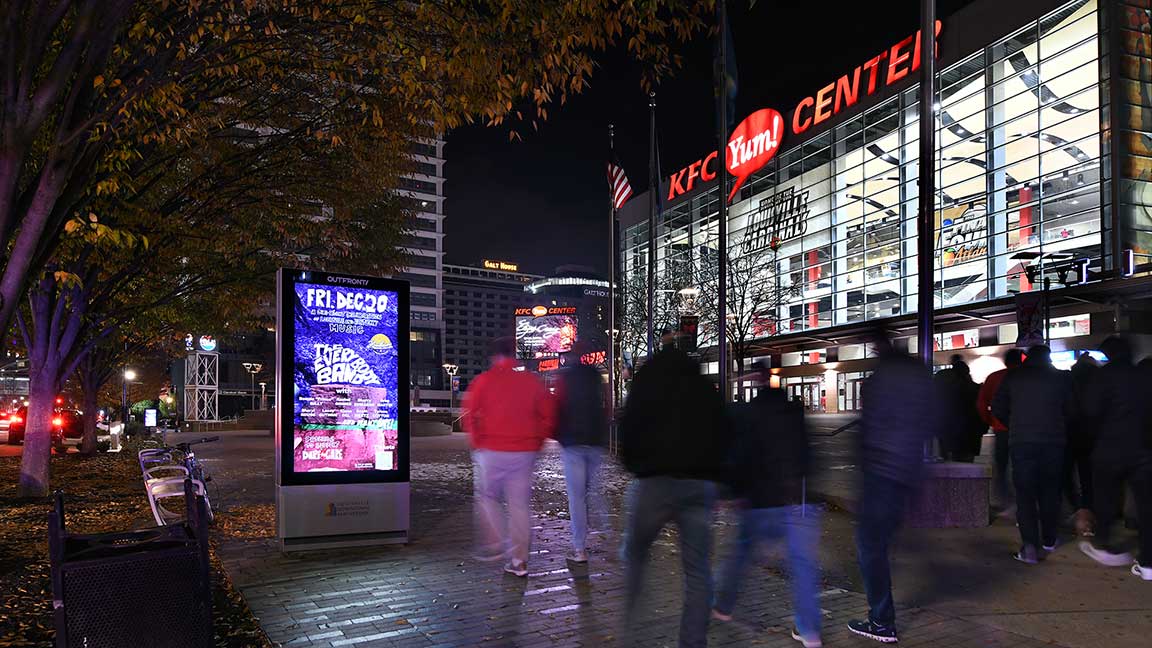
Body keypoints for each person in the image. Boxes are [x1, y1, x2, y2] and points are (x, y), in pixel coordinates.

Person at [619, 331, 731, 648]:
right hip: (698, 485)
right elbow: (724, 431)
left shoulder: (646, 382)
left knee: (636, 554)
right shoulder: (703, 388)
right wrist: (718, 477)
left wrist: (635, 464)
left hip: (654, 482)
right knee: (697, 571)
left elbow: (630, 427)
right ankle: (693, 642)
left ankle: (631, 635)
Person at [712, 363, 822, 648]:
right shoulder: (794, 413)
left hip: (761, 500)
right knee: (803, 568)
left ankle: (723, 605)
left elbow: (740, 456)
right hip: (798, 499)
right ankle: (809, 631)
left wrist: (731, 492)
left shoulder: (750, 415)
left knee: (740, 553)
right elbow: (809, 454)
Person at [847, 332, 936, 644]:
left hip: (881, 473)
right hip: (908, 471)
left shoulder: (879, 381)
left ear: (878, 347)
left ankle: (882, 621)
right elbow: (933, 420)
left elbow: (867, 432)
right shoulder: (919, 375)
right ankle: (882, 615)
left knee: (869, 546)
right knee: (882, 540)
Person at [463, 336, 554, 577]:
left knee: (487, 497)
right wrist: (538, 442)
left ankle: (497, 541)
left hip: (492, 450)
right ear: (513, 355)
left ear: (493, 356)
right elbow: (547, 415)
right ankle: (519, 561)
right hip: (524, 452)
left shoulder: (483, 381)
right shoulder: (531, 381)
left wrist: (478, 443)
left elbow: (470, 415)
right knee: (519, 505)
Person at [1078, 336, 1152, 580]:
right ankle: (1149, 563)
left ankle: (1105, 546)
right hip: (1144, 449)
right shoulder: (1144, 374)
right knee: (1146, 505)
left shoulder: (1103, 376)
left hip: (1110, 449)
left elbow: (1090, 411)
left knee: (1107, 499)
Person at [992, 344, 1073, 565]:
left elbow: (997, 407)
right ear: (1049, 357)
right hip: (1054, 442)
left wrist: (1014, 424)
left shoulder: (1014, 377)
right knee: (1050, 491)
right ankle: (1049, 539)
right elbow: (1072, 409)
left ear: (1027, 357)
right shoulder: (1062, 378)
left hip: (1022, 442)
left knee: (1025, 494)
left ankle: (1029, 546)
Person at [554, 342, 610, 563]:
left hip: (573, 442)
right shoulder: (595, 374)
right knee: (592, 487)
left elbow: (557, 406)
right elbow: (607, 403)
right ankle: (604, 522)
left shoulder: (564, 377)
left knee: (576, 497)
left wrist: (559, 435)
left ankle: (580, 549)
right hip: (594, 441)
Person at [977, 349, 1024, 511]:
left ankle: (1003, 497)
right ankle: (1022, 498)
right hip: (1023, 429)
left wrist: (990, 420)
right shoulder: (1025, 376)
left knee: (1002, 464)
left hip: (1001, 428)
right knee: (1022, 465)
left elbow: (982, 403)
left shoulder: (994, 377)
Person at [1065, 352, 1100, 536]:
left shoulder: (1068, 379)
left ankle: (1075, 507)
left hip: (1069, 433)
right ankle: (1088, 509)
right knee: (1088, 475)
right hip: (1091, 435)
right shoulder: (1098, 381)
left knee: (1066, 474)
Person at [934, 355, 983, 462]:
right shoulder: (975, 389)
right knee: (966, 460)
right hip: (970, 432)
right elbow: (980, 409)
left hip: (949, 429)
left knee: (948, 459)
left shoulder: (945, 386)